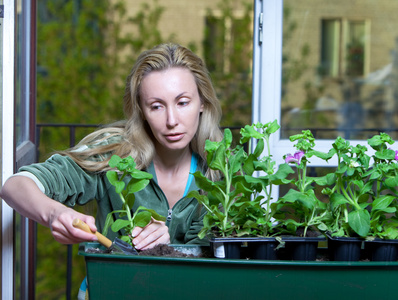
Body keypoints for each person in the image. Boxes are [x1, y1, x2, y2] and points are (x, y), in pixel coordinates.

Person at [0, 43, 223, 252]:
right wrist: (54, 213)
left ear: (202, 102)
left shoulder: (222, 173)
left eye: (182, 102)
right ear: (142, 112)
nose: (172, 120)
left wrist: (167, 249)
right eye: (156, 106)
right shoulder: (114, 153)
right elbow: (15, 186)